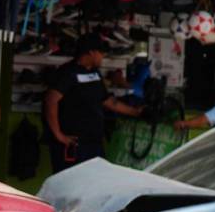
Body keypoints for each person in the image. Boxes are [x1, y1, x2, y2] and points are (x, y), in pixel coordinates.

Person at [44, 32, 142, 173]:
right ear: (91, 52)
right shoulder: (67, 73)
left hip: (94, 143)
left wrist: (135, 112)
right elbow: (51, 100)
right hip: (73, 145)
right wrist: (58, 134)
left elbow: (108, 101)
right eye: (101, 52)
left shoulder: (95, 73)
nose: (103, 56)